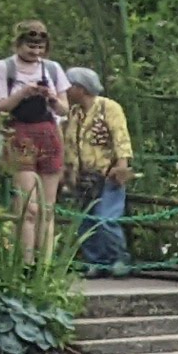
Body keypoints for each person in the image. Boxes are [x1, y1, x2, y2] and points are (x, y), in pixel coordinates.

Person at [0, 21, 69, 264]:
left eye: (40, 47)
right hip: (19, 133)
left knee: (47, 208)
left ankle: (46, 265)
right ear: (19, 43)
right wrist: (23, 93)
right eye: (31, 46)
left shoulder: (52, 69)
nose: (35, 52)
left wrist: (51, 98)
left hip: (48, 133)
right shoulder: (4, 68)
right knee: (29, 207)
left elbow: (64, 109)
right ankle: (26, 263)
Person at [64, 67, 133, 273]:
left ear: (81, 88)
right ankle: (96, 261)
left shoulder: (108, 108)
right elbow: (70, 144)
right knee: (86, 221)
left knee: (106, 219)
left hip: (108, 173)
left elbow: (120, 137)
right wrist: (69, 172)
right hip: (84, 176)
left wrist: (122, 166)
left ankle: (118, 258)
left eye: (70, 85)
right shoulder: (74, 113)